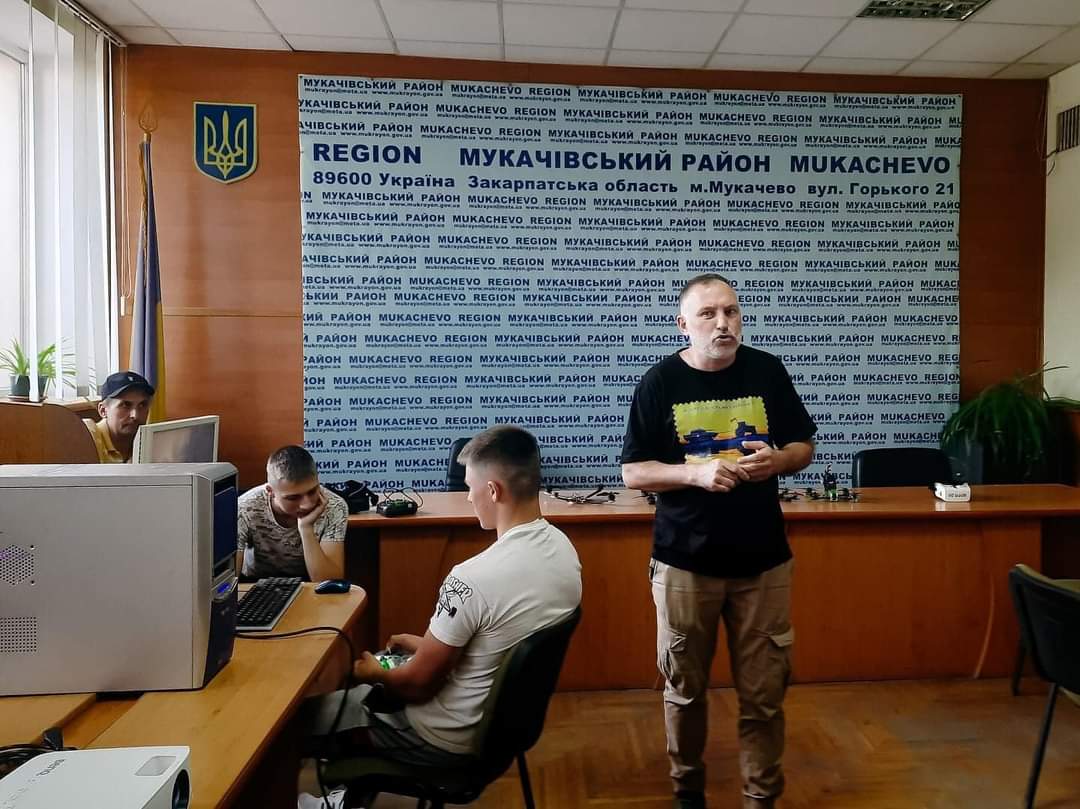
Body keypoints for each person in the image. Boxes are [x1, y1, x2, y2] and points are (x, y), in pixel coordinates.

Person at [621, 273, 817, 809]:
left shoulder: (767, 370)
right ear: (683, 324)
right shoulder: (660, 381)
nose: (722, 323)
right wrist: (696, 474)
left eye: (730, 311)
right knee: (684, 692)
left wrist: (779, 460)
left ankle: (761, 796)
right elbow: (633, 473)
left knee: (765, 696)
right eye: (708, 313)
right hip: (685, 564)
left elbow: (803, 446)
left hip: (764, 562)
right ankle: (688, 791)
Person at [301, 425, 581, 778]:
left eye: (470, 488)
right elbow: (497, 648)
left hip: (438, 739)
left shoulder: (471, 578)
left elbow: (417, 685)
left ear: (492, 491)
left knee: (291, 726)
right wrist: (427, 647)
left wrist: (373, 673)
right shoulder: (564, 551)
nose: (469, 498)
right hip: (502, 734)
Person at [236, 445, 348, 581]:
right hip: (255, 583)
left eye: (312, 491)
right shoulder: (244, 507)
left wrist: (306, 529)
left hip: (309, 585)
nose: (307, 504)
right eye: (293, 498)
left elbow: (329, 582)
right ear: (271, 491)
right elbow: (229, 582)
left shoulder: (334, 506)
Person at [83, 370, 155, 463]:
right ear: (103, 410)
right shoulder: (88, 436)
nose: (135, 415)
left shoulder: (150, 442)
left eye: (142, 405)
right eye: (125, 405)